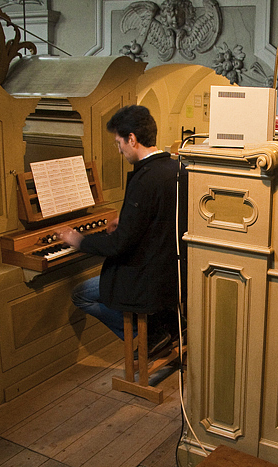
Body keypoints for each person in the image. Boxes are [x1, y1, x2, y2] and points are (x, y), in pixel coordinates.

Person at [57, 105, 184, 356]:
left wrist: (79, 240)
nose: (119, 149)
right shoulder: (176, 168)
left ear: (132, 139)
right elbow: (160, 219)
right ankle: (161, 330)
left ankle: (148, 336)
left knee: (81, 295)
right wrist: (123, 223)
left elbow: (119, 246)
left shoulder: (145, 178)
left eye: (119, 142)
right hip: (171, 273)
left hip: (146, 279)